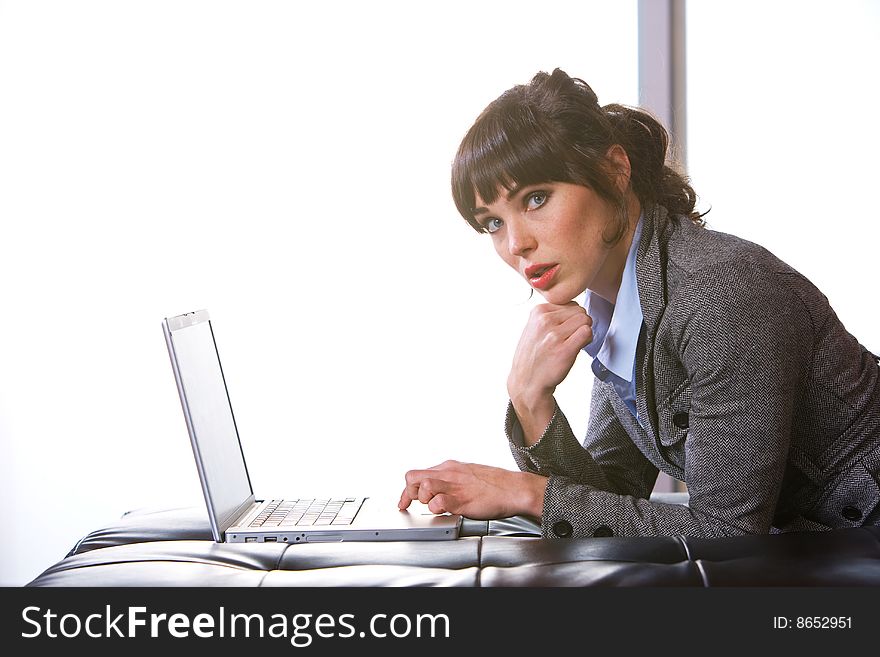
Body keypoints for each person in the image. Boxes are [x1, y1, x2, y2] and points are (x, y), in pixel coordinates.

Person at [397, 68, 880, 538]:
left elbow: (729, 531)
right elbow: (613, 494)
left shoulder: (718, 292)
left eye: (536, 198)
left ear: (614, 169)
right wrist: (531, 404)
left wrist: (528, 493)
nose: (516, 243)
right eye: (493, 223)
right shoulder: (617, 305)